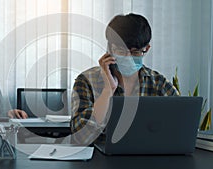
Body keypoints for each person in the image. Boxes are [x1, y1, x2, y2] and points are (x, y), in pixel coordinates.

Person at [70, 13, 179, 144]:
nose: (128, 57)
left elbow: (181, 126)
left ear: (146, 48)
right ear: (109, 48)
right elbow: (80, 138)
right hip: (101, 161)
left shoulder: (159, 84)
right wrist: (107, 91)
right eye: (121, 51)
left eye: (135, 52)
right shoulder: (86, 81)